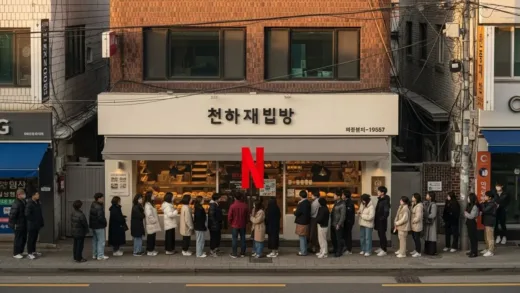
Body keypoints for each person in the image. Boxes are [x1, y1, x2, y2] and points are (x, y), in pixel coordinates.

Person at [228, 192, 249, 258]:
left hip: (235, 225)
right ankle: (243, 253)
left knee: (234, 239)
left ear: (234, 198)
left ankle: (234, 253)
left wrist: (231, 223)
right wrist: (246, 222)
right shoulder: (245, 205)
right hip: (243, 224)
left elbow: (229, 217)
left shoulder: (232, 206)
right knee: (243, 238)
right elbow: (247, 216)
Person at [8, 188, 27, 259]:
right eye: (23, 194)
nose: (24, 195)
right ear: (18, 195)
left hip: (23, 224)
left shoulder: (23, 201)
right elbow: (12, 215)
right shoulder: (16, 203)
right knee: (18, 239)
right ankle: (16, 253)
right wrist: (14, 224)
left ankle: (20, 251)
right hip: (18, 224)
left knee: (23, 239)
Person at [25, 191, 44, 260]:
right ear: (33, 195)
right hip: (32, 225)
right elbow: (27, 214)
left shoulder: (37, 202)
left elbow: (39, 214)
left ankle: (33, 251)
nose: (38, 195)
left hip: (37, 224)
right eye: (37, 194)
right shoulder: (30, 203)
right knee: (30, 239)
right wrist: (34, 220)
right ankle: (29, 253)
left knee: (34, 238)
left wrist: (41, 222)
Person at [89, 193, 108, 260]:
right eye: (102, 198)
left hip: (94, 226)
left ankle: (95, 254)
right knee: (101, 241)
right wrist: (105, 222)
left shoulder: (93, 204)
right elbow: (100, 217)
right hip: (99, 226)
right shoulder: (99, 207)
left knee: (95, 240)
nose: (103, 199)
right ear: (99, 198)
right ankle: (100, 255)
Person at [294, 190, 311, 256]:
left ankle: (303, 251)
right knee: (304, 237)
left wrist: (295, 211)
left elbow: (297, 213)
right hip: (306, 222)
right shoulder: (308, 202)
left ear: (300, 196)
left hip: (301, 222)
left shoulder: (301, 203)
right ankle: (304, 250)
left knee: (301, 237)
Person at [374, 186, 391, 257]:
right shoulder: (380, 199)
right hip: (378, 220)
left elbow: (386, 212)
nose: (377, 192)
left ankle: (384, 250)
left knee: (382, 235)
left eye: (378, 191)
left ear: (382, 193)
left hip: (382, 221)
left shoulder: (385, 201)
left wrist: (381, 218)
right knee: (380, 235)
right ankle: (381, 247)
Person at [144, 191, 161, 256]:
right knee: (150, 238)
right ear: (149, 197)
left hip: (152, 224)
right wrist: (154, 221)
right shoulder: (148, 205)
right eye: (152, 195)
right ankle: (149, 251)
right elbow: (149, 215)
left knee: (152, 237)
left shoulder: (150, 204)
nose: (154, 196)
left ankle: (152, 250)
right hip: (151, 224)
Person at [481, 191, 497, 257]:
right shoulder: (488, 202)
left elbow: (485, 210)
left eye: (486, 196)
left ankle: (491, 251)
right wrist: (483, 203)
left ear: (490, 197)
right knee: (486, 237)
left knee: (490, 237)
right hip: (486, 221)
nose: (484, 197)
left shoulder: (492, 203)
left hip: (490, 222)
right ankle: (487, 248)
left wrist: (482, 203)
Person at [330, 191, 346, 257]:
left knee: (338, 238)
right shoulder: (336, 203)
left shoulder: (342, 204)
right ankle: (335, 249)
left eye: (335, 195)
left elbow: (343, 216)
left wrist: (339, 224)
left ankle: (339, 252)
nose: (334, 196)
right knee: (333, 238)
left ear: (338, 196)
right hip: (333, 223)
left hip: (338, 224)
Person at [464, 193, 479, 258]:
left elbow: (472, 216)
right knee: (471, 238)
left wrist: (466, 213)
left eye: (468, 198)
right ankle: (472, 250)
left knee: (473, 238)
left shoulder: (474, 206)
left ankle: (474, 252)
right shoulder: (469, 205)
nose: (467, 199)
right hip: (469, 223)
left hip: (472, 223)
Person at [423, 191, 438, 256]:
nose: (426, 196)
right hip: (428, 222)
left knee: (431, 236)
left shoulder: (433, 205)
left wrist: (426, 215)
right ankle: (428, 250)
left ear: (430, 197)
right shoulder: (428, 204)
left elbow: (433, 214)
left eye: (427, 195)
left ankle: (432, 251)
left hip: (432, 223)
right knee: (428, 236)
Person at [342, 190, 355, 255]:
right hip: (346, 221)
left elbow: (349, 213)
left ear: (345, 195)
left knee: (348, 235)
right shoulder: (345, 202)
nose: (342, 196)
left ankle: (349, 249)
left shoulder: (349, 203)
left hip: (348, 221)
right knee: (346, 235)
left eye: (343, 194)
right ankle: (346, 247)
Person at [410, 193, 423, 257]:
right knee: (414, 238)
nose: (412, 198)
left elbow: (418, 216)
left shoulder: (419, 206)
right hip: (413, 225)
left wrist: (413, 221)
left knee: (417, 238)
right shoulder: (413, 204)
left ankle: (418, 252)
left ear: (416, 198)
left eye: (413, 197)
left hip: (416, 225)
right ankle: (416, 249)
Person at [308, 189, 320, 254]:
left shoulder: (315, 203)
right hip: (317, 218)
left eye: (312, 195)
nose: (311, 196)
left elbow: (312, 212)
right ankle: (315, 247)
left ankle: (314, 248)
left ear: (315, 195)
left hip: (314, 219)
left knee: (313, 234)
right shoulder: (318, 200)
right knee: (315, 233)